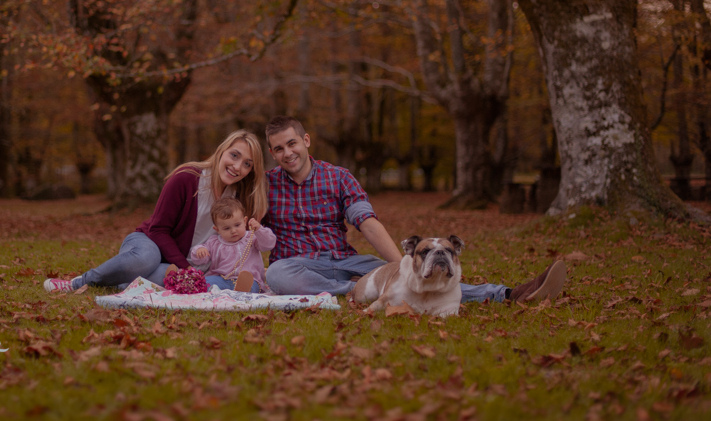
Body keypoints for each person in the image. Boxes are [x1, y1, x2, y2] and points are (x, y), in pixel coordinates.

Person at [262, 116, 567, 303]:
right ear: (272, 153)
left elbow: (366, 222)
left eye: (292, 143)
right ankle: (356, 292)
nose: (288, 153)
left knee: (424, 278)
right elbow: (234, 219)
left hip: (347, 261)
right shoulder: (264, 185)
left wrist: (404, 267)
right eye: (278, 148)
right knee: (276, 274)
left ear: (306, 140)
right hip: (297, 267)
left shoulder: (339, 176)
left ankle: (510, 294)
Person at [44, 130, 268, 293]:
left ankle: (120, 281)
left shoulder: (239, 198)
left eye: (247, 164)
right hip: (149, 243)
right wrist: (186, 269)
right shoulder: (187, 178)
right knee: (146, 259)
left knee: (165, 278)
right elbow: (159, 230)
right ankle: (79, 282)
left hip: (180, 265)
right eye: (235, 155)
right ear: (222, 151)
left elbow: (248, 241)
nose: (237, 167)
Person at [188, 197, 276, 293]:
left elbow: (268, 244)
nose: (233, 231)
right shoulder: (214, 242)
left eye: (237, 225)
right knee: (204, 282)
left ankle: (242, 291)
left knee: (251, 285)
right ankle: (217, 291)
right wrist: (199, 251)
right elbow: (201, 260)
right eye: (226, 228)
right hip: (222, 278)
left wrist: (259, 230)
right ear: (217, 230)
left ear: (245, 221)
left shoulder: (251, 238)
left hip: (248, 279)